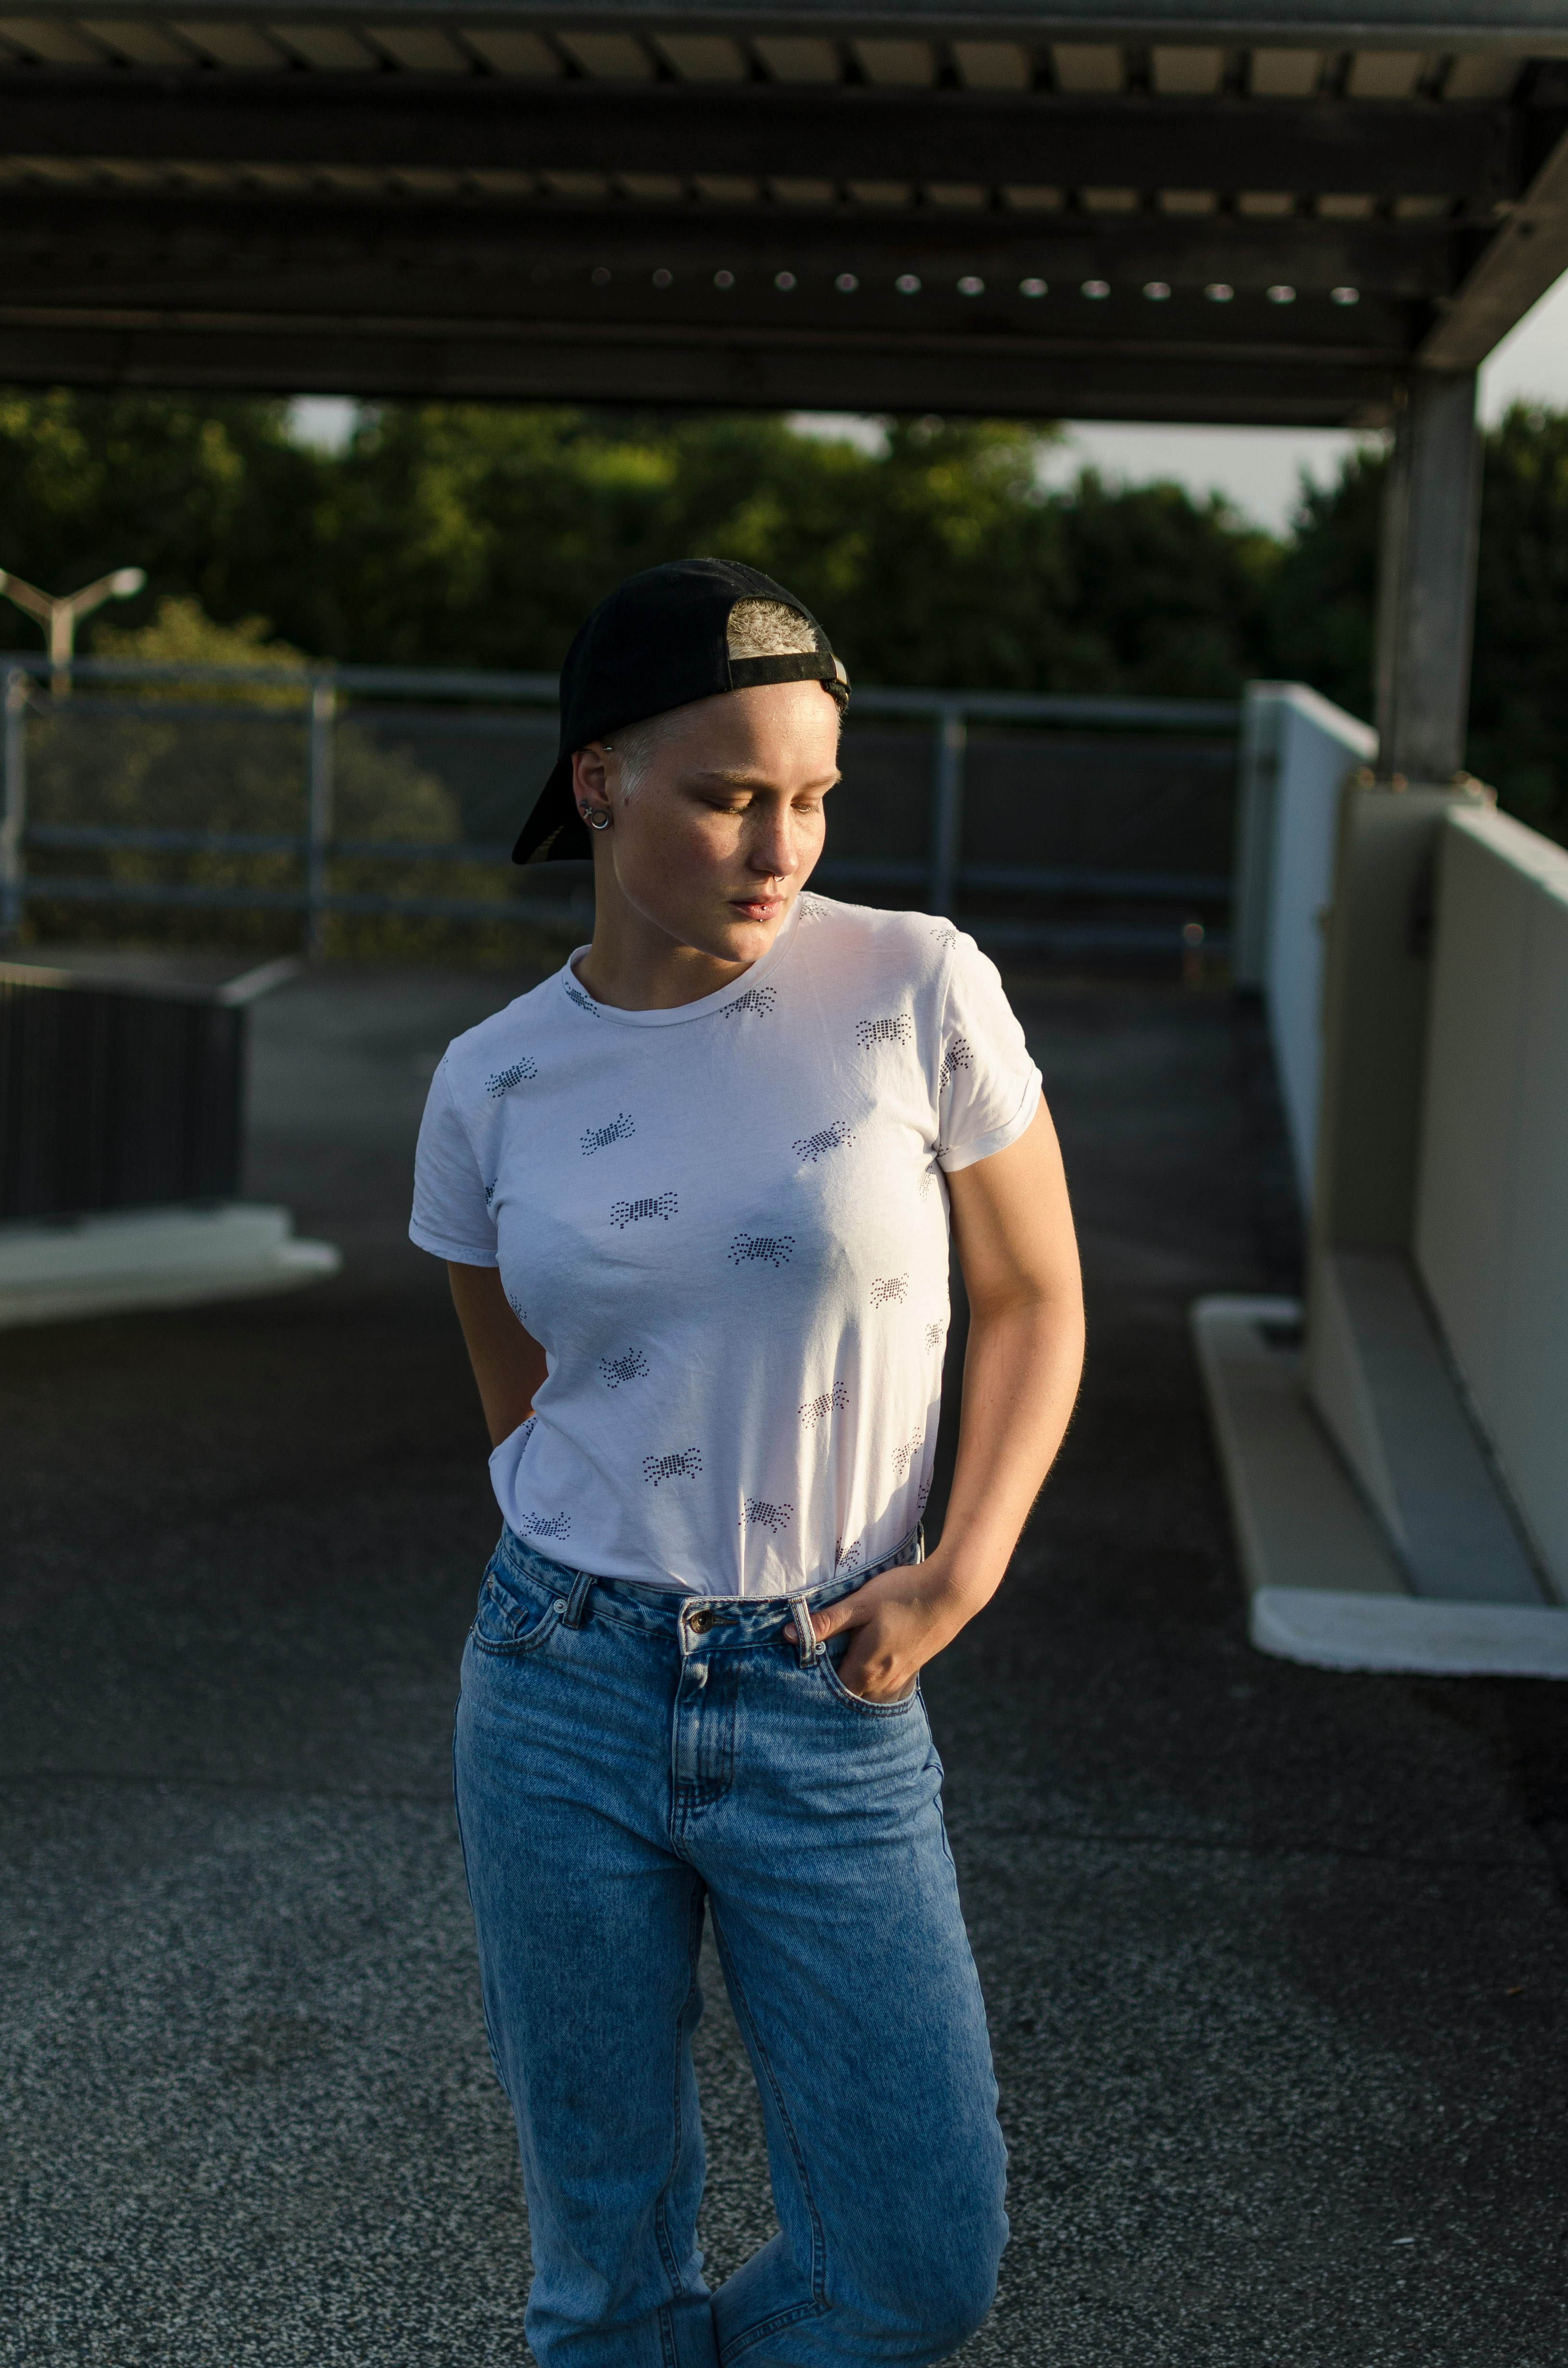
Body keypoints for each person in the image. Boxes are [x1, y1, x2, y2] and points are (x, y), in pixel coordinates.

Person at [410, 558, 1084, 2368]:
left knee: (916, 2265)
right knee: (603, 2278)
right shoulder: (493, 1082)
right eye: (727, 796)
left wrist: (964, 1563)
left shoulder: (916, 986)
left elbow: (1035, 1298)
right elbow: (523, 1401)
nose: (778, 844)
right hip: (561, 1684)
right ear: (598, 780)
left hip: (824, 1681)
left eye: (809, 799)